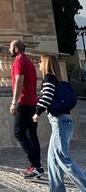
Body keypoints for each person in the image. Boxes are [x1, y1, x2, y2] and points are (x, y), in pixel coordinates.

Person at [33, 54, 86, 191]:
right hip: (62, 122)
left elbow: (47, 97)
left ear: (45, 63)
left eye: (40, 61)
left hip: (60, 122)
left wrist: (37, 112)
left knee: (63, 159)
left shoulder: (49, 78)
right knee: (53, 160)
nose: (38, 64)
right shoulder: (55, 78)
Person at [9, 39, 44, 179]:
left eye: (10, 47)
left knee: (19, 133)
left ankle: (36, 166)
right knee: (32, 135)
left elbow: (19, 81)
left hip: (23, 102)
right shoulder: (28, 61)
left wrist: (14, 102)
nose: (9, 50)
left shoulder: (19, 61)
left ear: (16, 49)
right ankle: (37, 166)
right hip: (32, 103)